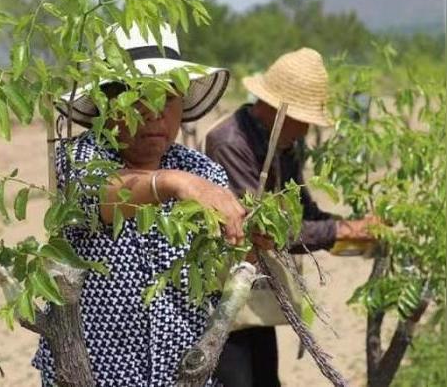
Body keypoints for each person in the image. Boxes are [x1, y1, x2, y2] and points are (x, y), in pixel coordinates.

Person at [32, 24, 247, 387]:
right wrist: (171, 183)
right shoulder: (81, 157)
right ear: (107, 103)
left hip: (180, 375)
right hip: (92, 374)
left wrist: (250, 245)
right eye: (138, 97)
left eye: (168, 97)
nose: (154, 114)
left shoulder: (202, 171)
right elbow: (98, 196)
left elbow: (218, 275)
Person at [204, 48, 378, 387]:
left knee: (266, 378)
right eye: (302, 118)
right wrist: (339, 229)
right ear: (273, 108)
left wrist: (349, 229)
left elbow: (303, 211)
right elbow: (258, 229)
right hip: (224, 288)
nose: (306, 130)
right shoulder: (230, 143)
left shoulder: (284, 143)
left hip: (256, 286)